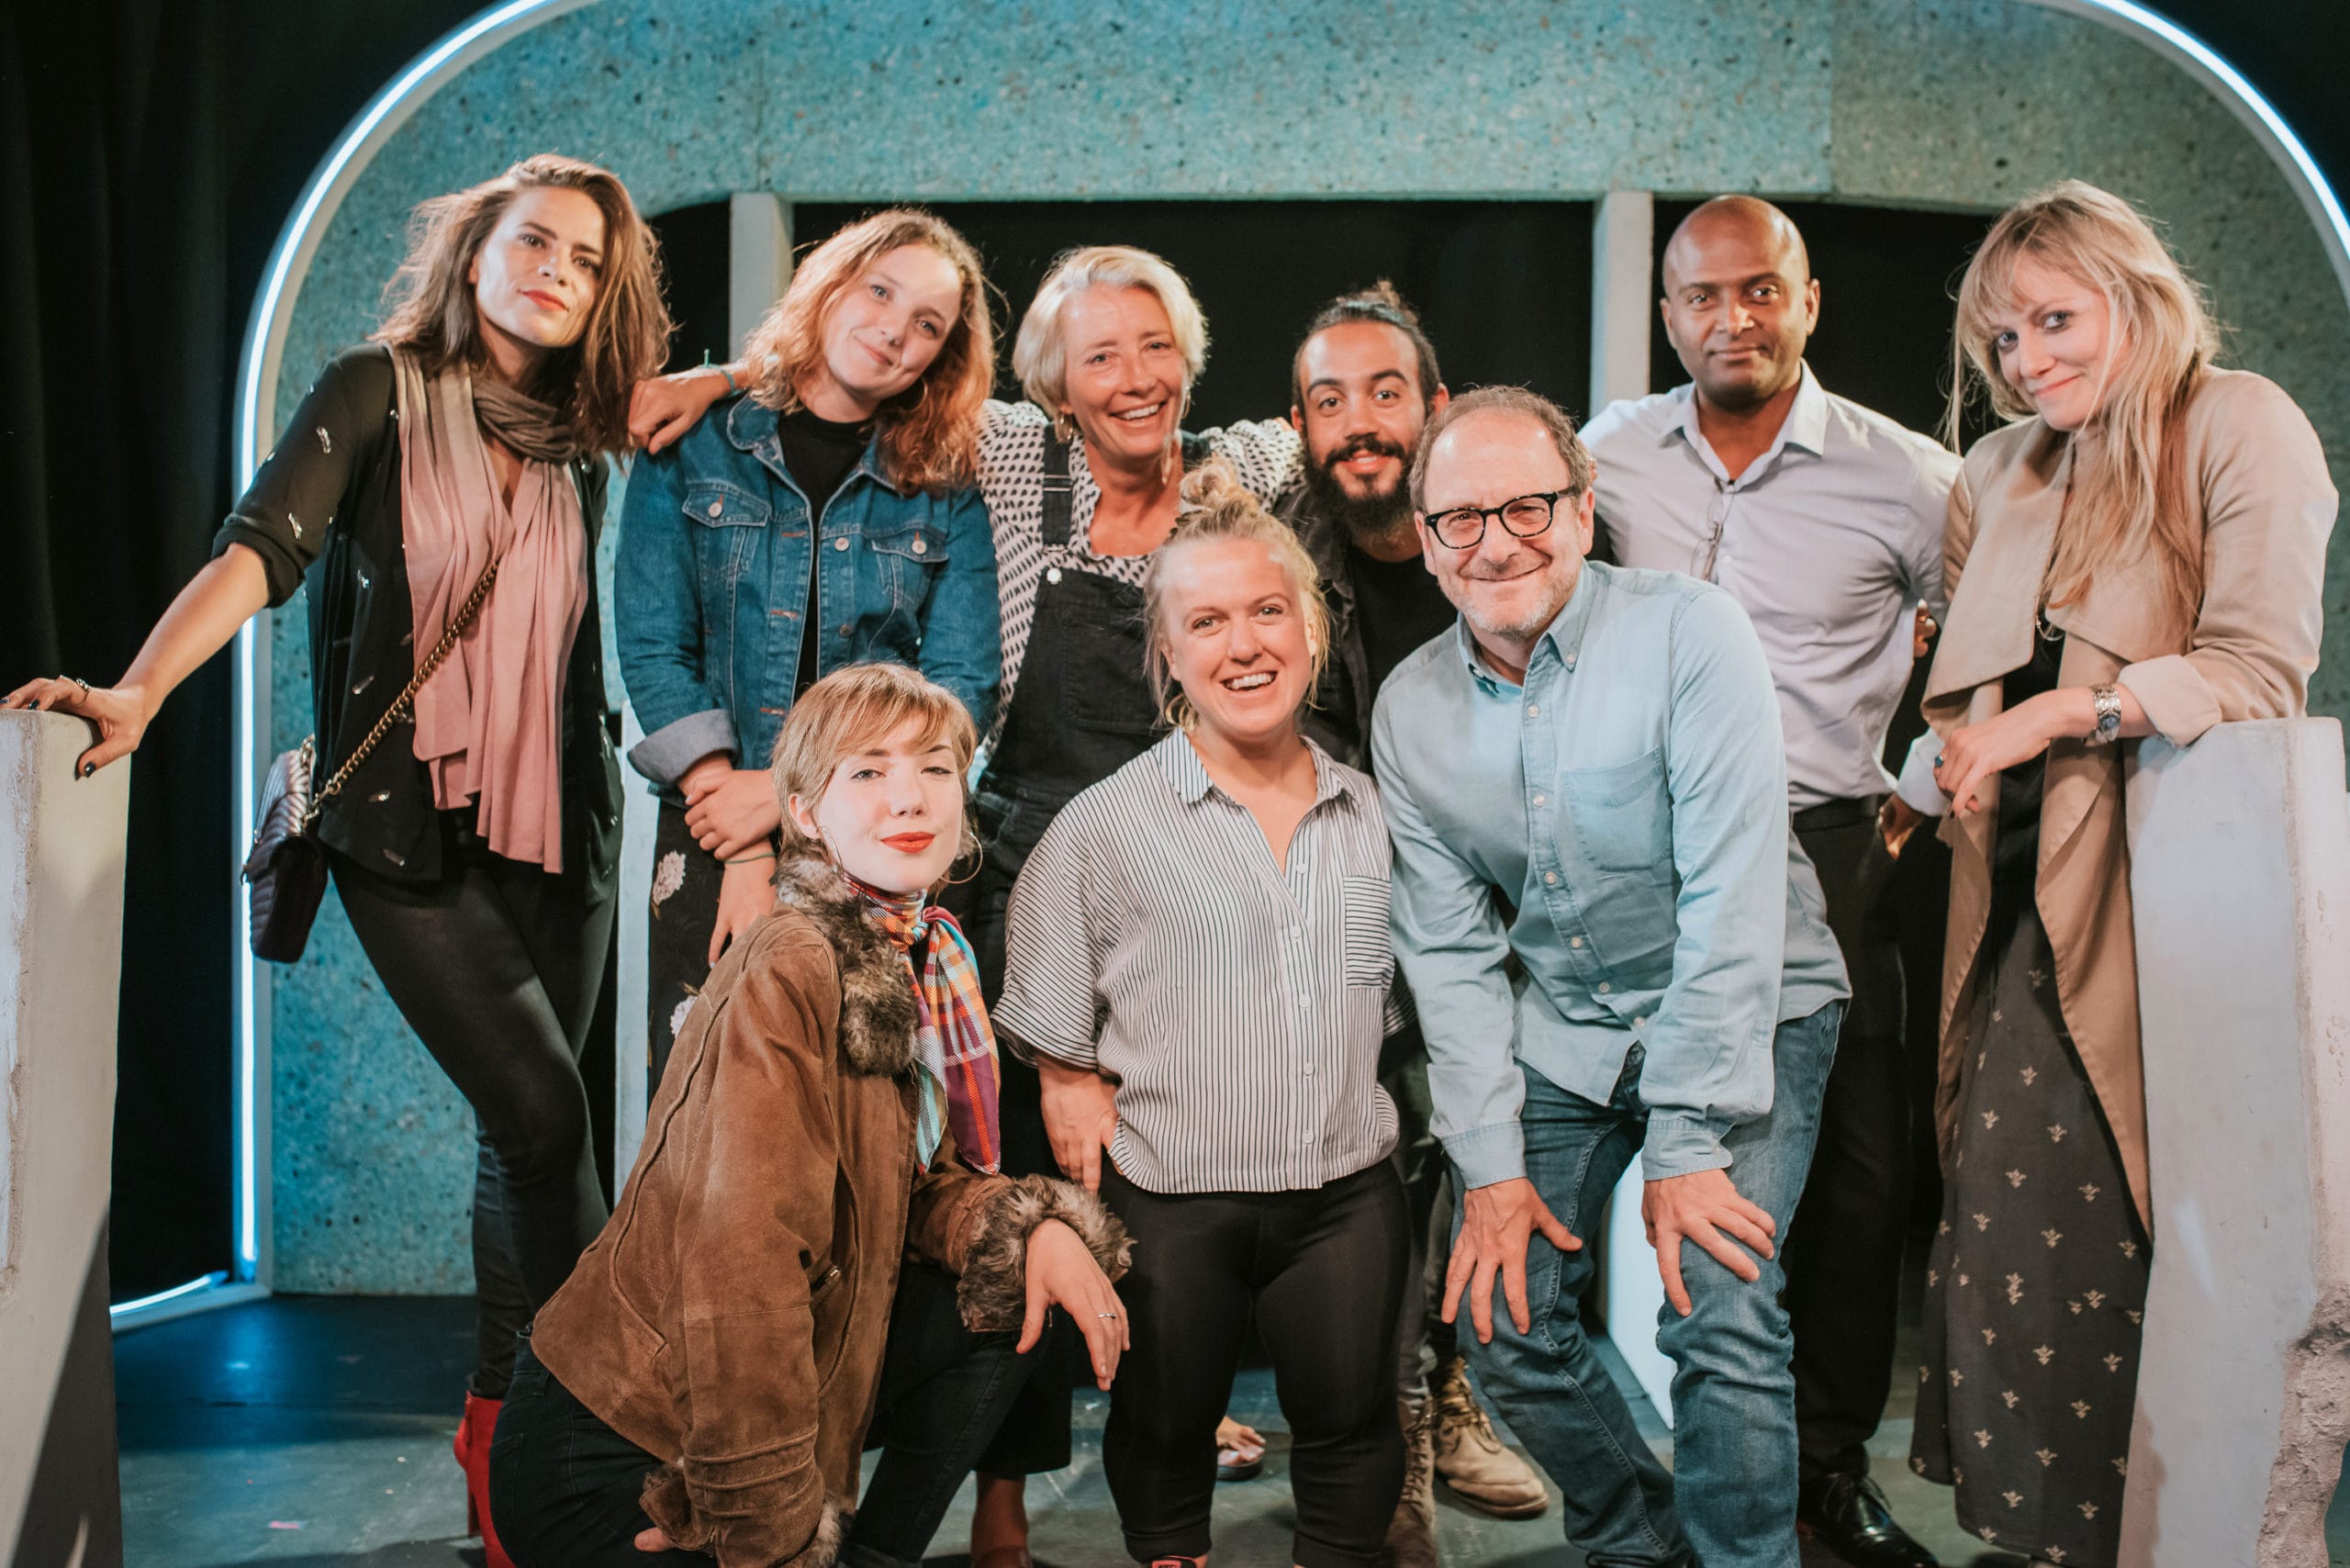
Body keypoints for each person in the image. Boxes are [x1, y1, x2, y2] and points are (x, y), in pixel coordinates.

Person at [6, 154, 671, 1562]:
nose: (560, 271)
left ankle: (506, 1446)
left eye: (589, 261)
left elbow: (709, 408)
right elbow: (266, 548)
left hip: (566, 826)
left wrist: (730, 385)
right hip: (401, 828)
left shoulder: (584, 433)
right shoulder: (377, 386)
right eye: (536, 243)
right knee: (549, 1127)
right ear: (473, 254)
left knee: (539, 1141)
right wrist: (139, 689)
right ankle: (565, 1459)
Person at [630, 245, 1297, 1567]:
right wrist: (722, 379)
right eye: (1099, 354)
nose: (1134, 377)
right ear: (1049, 383)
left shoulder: (1244, 472)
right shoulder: (1003, 456)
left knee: (1183, 1162)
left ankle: (1173, 1417)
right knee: (1016, 1171)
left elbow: (1340, 423)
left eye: (1155, 345)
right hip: (1025, 866)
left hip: (1179, 875)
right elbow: (847, 373)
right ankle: (996, 1504)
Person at [1896, 182, 2335, 1568]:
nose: (2029, 362)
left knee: (2145, 1257)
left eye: (2055, 321)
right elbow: (1962, 697)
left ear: (2138, 298)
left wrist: (2056, 717)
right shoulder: (1995, 473)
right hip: (2009, 901)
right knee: (2007, 1254)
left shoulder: (2240, 420)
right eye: (2004, 341)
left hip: (2175, 919)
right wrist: (1943, 753)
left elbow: (2263, 672)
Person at [489, 662, 1131, 1568]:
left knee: (1016, 1288)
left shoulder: (916, 954)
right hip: (618, 1450)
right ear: (802, 813)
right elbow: (736, 1261)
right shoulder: (790, 960)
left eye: (935, 769)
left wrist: (1033, 1231)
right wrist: (760, 1527)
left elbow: (916, 1184)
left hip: (751, 1404)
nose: (908, 795)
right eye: (867, 771)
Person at [1374, 386, 1850, 1568]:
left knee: (1717, 1297)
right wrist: (1487, 1165)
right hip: (1571, 1025)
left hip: (1755, 999)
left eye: (1527, 505)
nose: (1495, 541)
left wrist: (1688, 1133)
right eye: (1460, 518)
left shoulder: (1692, 629)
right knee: (1499, 1310)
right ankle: (1637, 1537)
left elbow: (1731, 893)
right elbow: (1450, 957)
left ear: (1583, 511)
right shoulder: (1407, 711)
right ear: (1425, 544)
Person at [1579, 196, 1958, 1567]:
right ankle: (1674, 1475)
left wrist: (1911, 793)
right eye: (1699, 297)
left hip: (1829, 845)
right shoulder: (1608, 455)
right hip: (1649, 851)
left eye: (1758, 291)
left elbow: (1979, 651)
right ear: (1668, 310)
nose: (1728, 319)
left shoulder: (1907, 475)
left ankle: (1824, 1474)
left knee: (1854, 1184)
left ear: (1806, 301)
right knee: (1666, 1155)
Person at [996, 473, 1409, 1568]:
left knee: (1354, 1428)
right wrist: (1063, 1074)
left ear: (1310, 628)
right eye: (1207, 622)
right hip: (1174, 1200)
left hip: (1345, 1196)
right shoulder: (1102, 826)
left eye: (1267, 611)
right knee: (1164, 1432)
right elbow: (1043, 990)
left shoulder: (1373, 811)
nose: (1243, 644)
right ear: (1168, 654)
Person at [1282, 283, 1550, 1562]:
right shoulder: (1283, 547)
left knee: (1476, 1175)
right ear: (1297, 425)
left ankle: (1443, 1396)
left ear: (1435, 408)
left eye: (1385, 392)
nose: (1359, 423)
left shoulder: (1503, 540)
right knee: (1375, 1179)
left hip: (1508, 911)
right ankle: (1385, 1432)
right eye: (1329, 401)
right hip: (1343, 912)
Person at [615, 208, 1000, 1083]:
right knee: (711, 1109)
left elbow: (961, 684)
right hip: (713, 826)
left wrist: (806, 801)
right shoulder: (697, 444)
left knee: (866, 1119)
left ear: (942, 354)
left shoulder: (945, 480)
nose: (895, 330)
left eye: (927, 325)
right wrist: (747, 836)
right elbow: (652, 645)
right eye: (880, 292)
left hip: (879, 834)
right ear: (830, 283)